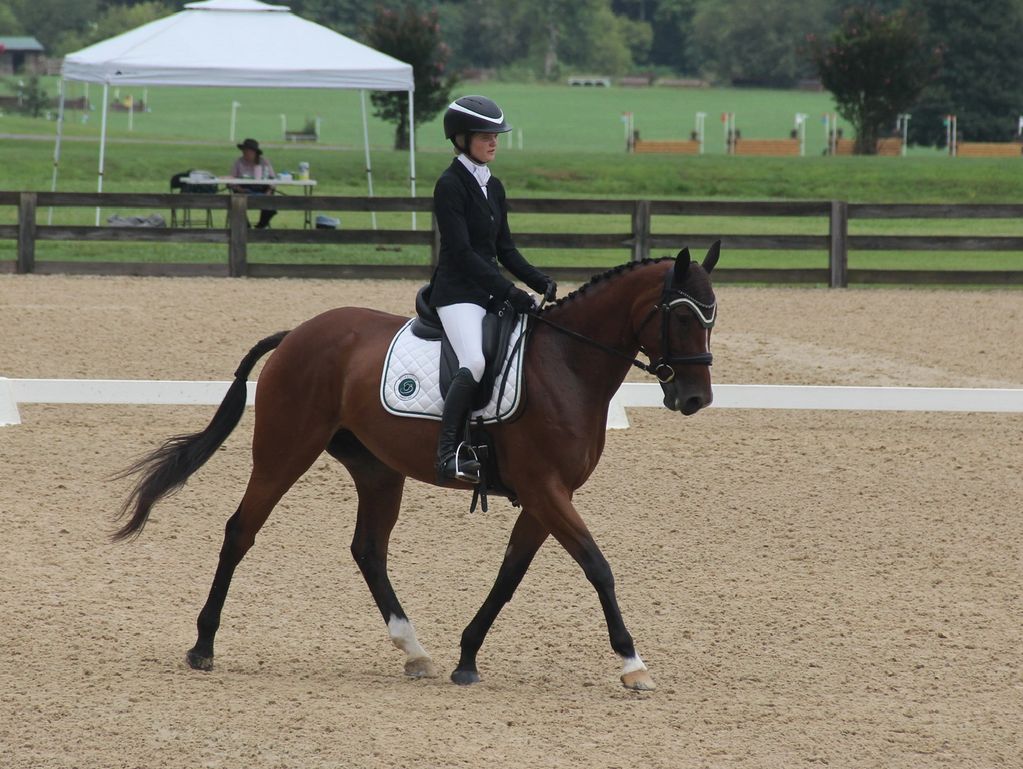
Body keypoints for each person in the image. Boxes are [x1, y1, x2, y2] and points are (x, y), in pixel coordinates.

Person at [430, 95, 557, 484]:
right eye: (485, 135)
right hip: (457, 293)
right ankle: (448, 454)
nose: (494, 141)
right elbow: (463, 253)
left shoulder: (494, 187)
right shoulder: (449, 185)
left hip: (487, 292)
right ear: (462, 139)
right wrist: (510, 293)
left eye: (496, 135)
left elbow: (505, 249)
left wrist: (538, 280)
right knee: (474, 361)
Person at [229, 138, 277, 229]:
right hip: (243, 191)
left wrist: (269, 191)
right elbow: (231, 180)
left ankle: (260, 227)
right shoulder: (238, 162)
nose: (245, 153)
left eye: (248, 151)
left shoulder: (264, 162)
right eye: (244, 151)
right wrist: (239, 189)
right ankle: (246, 228)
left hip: (262, 191)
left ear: (255, 152)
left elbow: (273, 180)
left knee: (270, 204)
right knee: (236, 205)